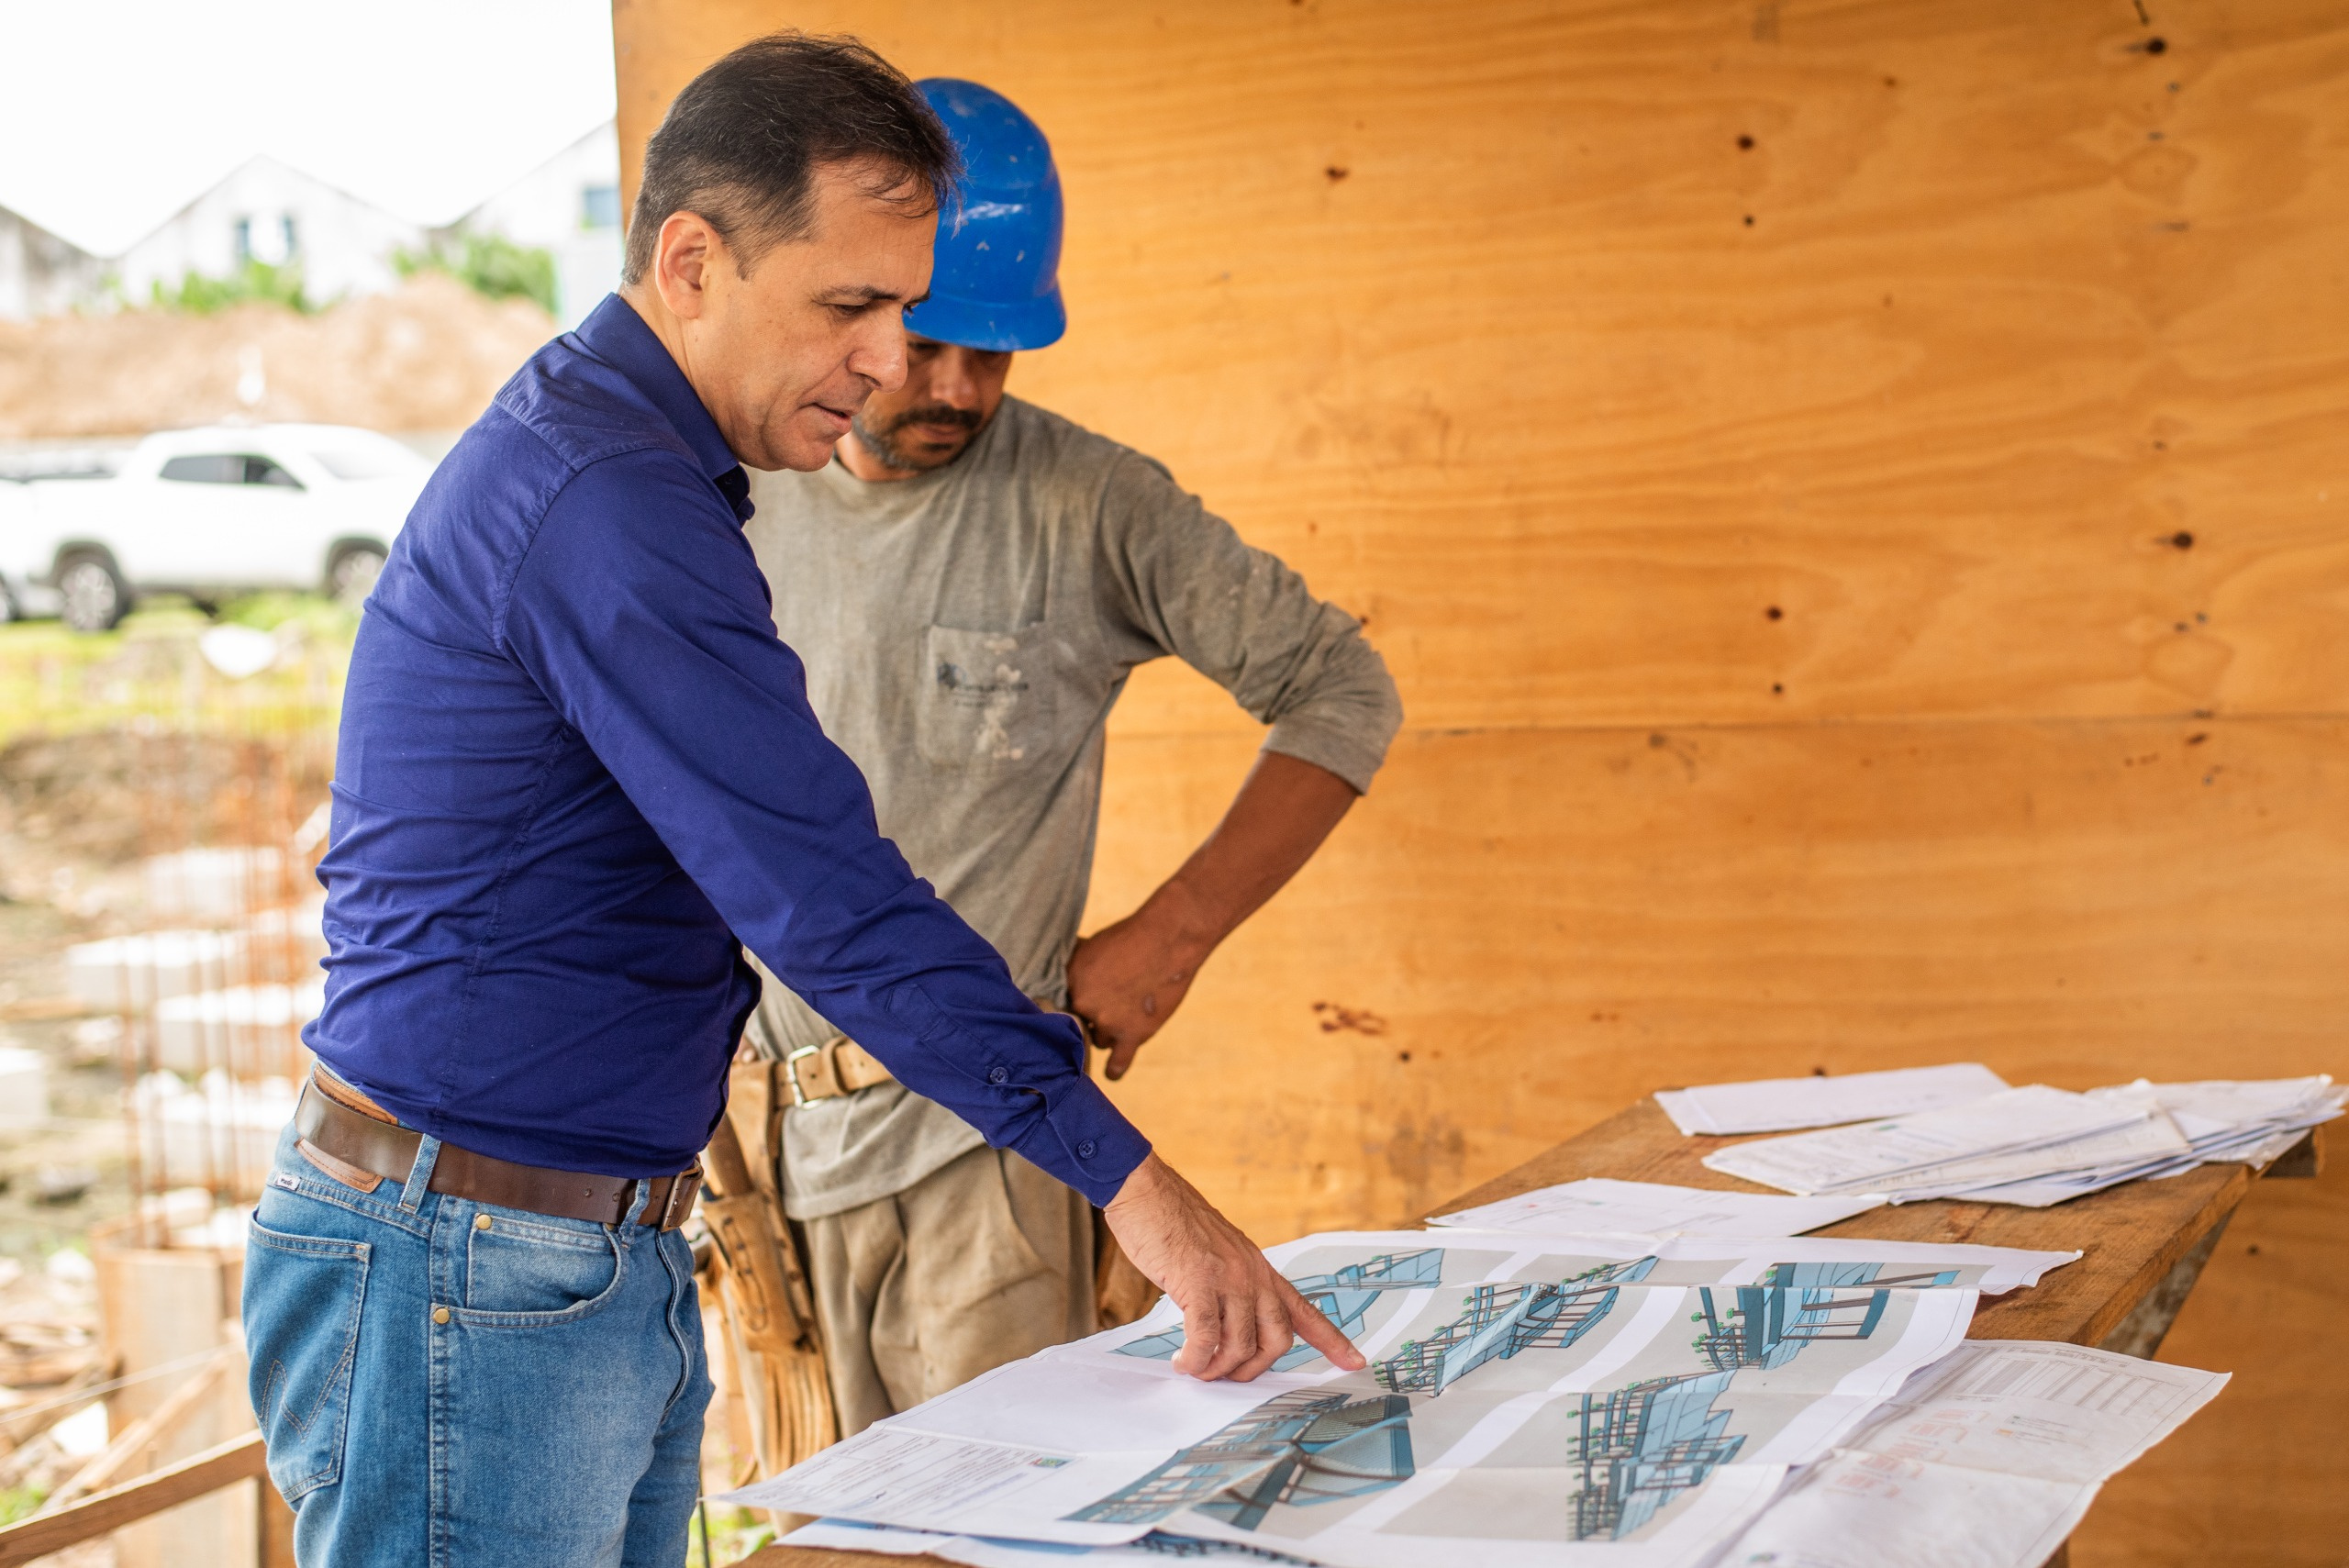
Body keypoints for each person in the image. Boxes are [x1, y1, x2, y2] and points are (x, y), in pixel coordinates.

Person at [238, 36, 1360, 1568]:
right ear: (692, 260)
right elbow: (824, 894)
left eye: (910, 312)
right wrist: (1140, 1190)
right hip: (471, 1263)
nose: (896, 362)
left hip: (575, 1246)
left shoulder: (666, 472)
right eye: (854, 307)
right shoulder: (606, 499)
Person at [739, 80, 1403, 1439]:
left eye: (996, 355)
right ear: (857, 305)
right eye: (927, 345)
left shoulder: (1091, 504)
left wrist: (1176, 932)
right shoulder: (731, 494)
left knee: (1001, 1511)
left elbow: (1343, 688)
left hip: (990, 1157)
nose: (957, 390)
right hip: (769, 1156)